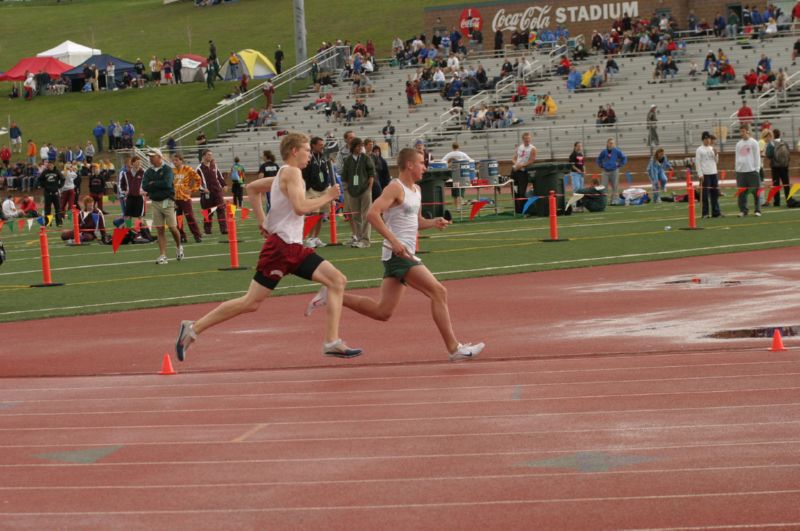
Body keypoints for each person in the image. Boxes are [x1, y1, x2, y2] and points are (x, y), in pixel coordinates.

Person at [175, 132, 361, 361]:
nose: (310, 156)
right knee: (251, 303)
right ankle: (193, 328)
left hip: (292, 246)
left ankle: (331, 341)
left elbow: (252, 188)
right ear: (294, 151)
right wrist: (329, 196)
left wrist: (263, 220)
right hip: (282, 249)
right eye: (306, 150)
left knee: (337, 280)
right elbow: (301, 207)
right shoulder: (291, 172)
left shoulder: (284, 173)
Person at [305, 147, 484, 362]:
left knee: (383, 312)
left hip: (401, 254)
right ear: (409, 165)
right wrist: (394, 241)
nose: (424, 167)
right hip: (399, 255)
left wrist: (433, 223)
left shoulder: (416, 190)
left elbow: (416, 222)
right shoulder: (394, 188)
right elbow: (372, 214)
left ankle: (332, 295)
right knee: (439, 292)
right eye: (421, 163)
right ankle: (455, 348)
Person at [142, 148, 182, 265]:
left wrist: (153, 183)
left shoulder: (167, 169)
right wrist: (155, 184)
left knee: (172, 227)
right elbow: (145, 186)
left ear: (159, 157)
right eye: (149, 156)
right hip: (155, 202)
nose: (150, 158)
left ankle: (179, 246)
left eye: (152, 156)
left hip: (167, 201)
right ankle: (163, 255)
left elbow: (167, 184)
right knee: (160, 229)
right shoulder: (148, 171)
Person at [341, 137, 375, 248]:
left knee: (366, 215)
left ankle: (366, 240)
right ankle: (359, 238)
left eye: (362, 146)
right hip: (351, 191)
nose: (361, 148)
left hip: (365, 189)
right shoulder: (348, 160)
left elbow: (371, 174)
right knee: (356, 216)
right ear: (353, 147)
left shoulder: (366, 158)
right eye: (358, 146)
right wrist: (346, 190)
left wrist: (369, 187)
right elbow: (344, 177)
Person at [302, 136, 335, 248]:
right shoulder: (309, 157)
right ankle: (310, 238)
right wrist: (307, 187)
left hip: (324, 188)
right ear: (313, 145)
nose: (322, 146)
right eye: (320, 145)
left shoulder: (324, 156)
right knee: (314, 214)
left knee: (322, 214)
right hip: (312, 190)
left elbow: (327, 171)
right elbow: (304, 173)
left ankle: (315, 237)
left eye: (323, 144)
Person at [172, 153, 203, 244]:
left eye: (176, 160)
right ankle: (182, 236)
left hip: (185, 198)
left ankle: (197, 235)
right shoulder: (172, 171)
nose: (175, 162)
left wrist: (192, 189)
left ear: (181, 160)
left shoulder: (187, 169)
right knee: (178, 219)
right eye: (173, 160)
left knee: (190, 217)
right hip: (175, 199)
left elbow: (198, 179)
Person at [196, 149, 228, 235]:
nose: (210, 156)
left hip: (217, 191)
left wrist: (224, 185)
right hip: (207, 193)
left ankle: (224, 228)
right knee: (208, 212)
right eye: (208, 155)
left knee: (221, 209)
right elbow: (197, 182)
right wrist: (203, 189)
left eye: (211, 155)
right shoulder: (199, 168)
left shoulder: (214, 165)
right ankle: (207, 230)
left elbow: (220, 177)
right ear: (203, 156)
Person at [735, 124, 762, 217]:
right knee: (741, 193)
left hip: (752, 171)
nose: (741, 133)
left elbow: (757, 157)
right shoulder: (738, 144)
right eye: (740, 131)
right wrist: (737, 169)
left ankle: (757, 210)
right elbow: (737, 158)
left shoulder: (754, 143)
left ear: (747, 131)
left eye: (743, 131)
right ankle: (743, 210)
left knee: (756, 192)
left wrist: (757, 169)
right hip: (741, 172)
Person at [696, 131, 721, 218]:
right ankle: (705, 213)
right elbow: (698, 163)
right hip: (705, 175)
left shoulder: (712, 149)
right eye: (706, 139)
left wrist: (716, 154)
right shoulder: (699, 149)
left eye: (709, 139)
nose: (708, 140)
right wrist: (700, 174)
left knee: (715, 194)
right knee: (705, 195)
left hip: (714, 173)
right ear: (703, 139)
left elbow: (716, 162)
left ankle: (716, 212)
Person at [510, 132, 537, 214]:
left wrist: (522, 165)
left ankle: (524, 210)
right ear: (523, 139)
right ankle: (517, 210)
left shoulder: (533, 148)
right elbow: (513, 158)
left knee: (522, 192)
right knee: (514, 191)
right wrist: (516, 164)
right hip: (515, 171)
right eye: (526, 139)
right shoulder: (519, 147)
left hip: (523, 172)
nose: (527, 140)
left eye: (528, 139)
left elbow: (532, 160)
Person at [596, 138, 628, 205]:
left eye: (613, 143)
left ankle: (614, 201)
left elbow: (624, 158)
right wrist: (601, 165)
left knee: (615, 186)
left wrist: (620, 164)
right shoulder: (604, 152)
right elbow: (598, 159)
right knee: (603, 186)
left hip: (614, 171)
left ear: (614, 144)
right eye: (610, 143)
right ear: (607, 143)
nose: (611, 144)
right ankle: (604, 201)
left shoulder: (617, 151)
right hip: (605, 171)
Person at [765, 128, 791, 207]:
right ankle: (789, 200)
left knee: (776, 185)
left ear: (773, 135)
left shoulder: (771, 143)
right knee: (786, 184)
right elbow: (789, 154)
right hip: (784, 166)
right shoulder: (785, 143)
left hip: (775, 167)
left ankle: (777, 202)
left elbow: (769, 155)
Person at [120, 156, 146, 229]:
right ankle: (128, 231)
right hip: (129, 198)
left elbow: (147, 185)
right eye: (137, 162)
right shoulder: (126, 174)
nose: (139, 164)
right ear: (132, 163)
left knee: (140, 216)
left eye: (140, 162)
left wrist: (145, 191)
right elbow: (121, 185)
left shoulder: (143, 173)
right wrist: (124, 192)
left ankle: (140, 232)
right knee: (128, 216)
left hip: (139, 198)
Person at [38, 160, 65, 226]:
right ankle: (48, 222)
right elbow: (40, 179)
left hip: (55, 193)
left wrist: (59, 186)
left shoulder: (57, 171)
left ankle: (59, 222)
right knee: (47, 209)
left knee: (58, 208)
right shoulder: (45, 172)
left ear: (53, 165)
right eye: (48, 165)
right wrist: (44, 185)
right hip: (47, 193)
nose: (49, 166)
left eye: (51, 165)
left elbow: (63, 178)